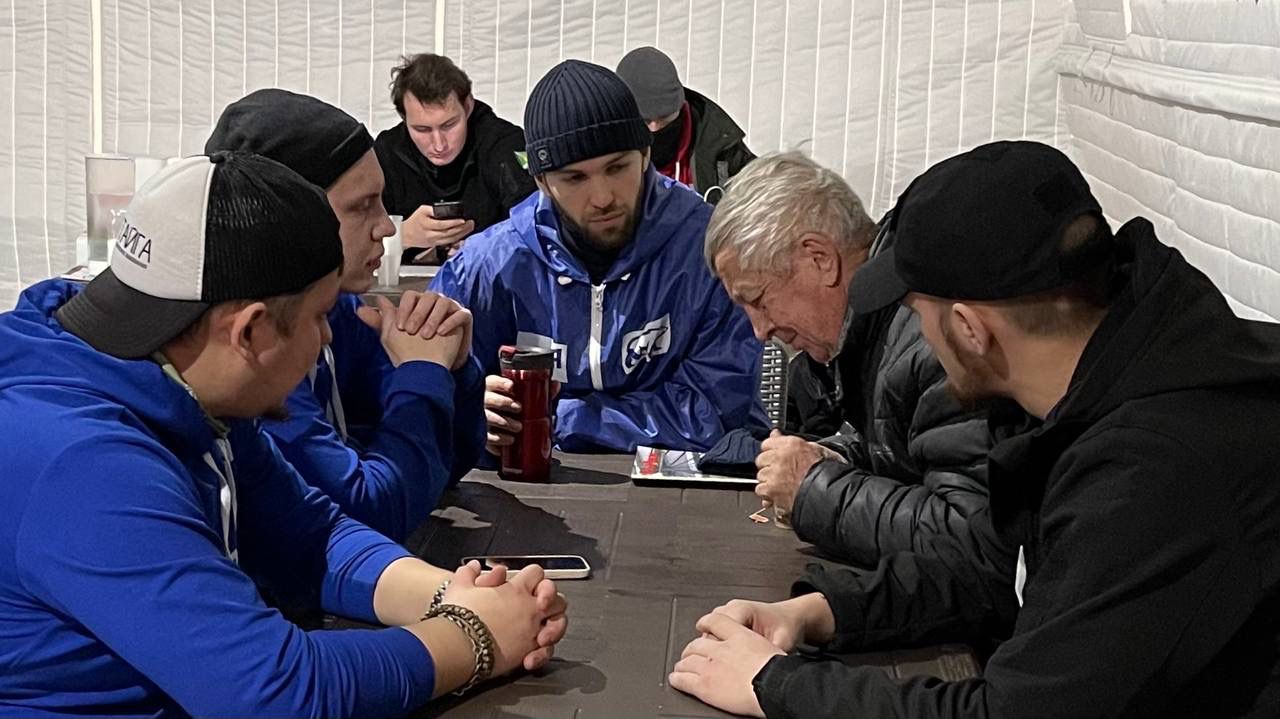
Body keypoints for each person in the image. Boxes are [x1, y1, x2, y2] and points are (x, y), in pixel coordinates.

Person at [671, 141, 1280, 717]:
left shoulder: (1152, 472)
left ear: (969, 328)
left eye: (916, 315)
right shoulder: (1108, 382)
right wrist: (825, 611)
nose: (917, 336)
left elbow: (1013, 710)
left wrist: (776, 685)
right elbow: (1006, 571)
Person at [0, 152, 567, 717]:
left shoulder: (174, 384)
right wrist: (474, 637)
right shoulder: (84, 463)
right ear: (249, 331)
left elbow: (310, 535)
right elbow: (275, 691)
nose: (327, 339)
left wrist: (452, 595)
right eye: (321, 316)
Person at [703, 152, 1012, 585]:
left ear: (819, 258)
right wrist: (834, 458)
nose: (760, 330)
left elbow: (973, 540)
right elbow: (904, 453)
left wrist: (814, 489)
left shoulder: (932, 340)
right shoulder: (870, 332)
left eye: (758, 300)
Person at [432, 59, 767, 454]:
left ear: (645, 155)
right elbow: (421, 392)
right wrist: (469, 408)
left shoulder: (711, 252)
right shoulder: (487, 265)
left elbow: (719, 410)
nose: (603, 197)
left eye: (617, 167)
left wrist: (560, 417)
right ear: (542, 181)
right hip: (530, 490)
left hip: (681, 490)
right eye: (574, 177)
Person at [206, 89, 486, 541]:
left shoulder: (342, 310)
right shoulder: (259, 347)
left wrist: (454, 367)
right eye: (361, 206)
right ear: (291, 220)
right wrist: (424, 372)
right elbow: (367, 512)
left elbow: (443, 461)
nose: (388, 227)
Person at [375, 53, 537, 264]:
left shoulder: (504, 144)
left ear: (468, 106)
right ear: (404, 118)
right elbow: (348, 239)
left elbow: (538, 224)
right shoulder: (387, 151)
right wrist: (400, 236)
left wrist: (486, 246)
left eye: (449, 125)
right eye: (422, 129)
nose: (439, 144)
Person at [616, 46, 755, 203]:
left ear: (681, 105)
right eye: (644, 120)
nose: (655, 128)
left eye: (665, 117)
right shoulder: (600, 154)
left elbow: (763, 192)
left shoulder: (718, 144)